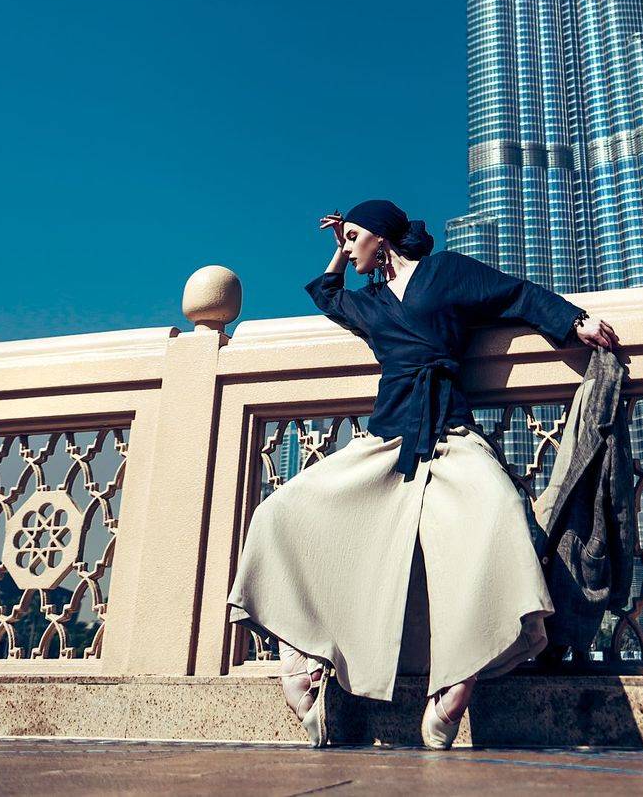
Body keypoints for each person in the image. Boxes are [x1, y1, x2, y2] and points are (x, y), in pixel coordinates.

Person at [227, 199, 618, 749]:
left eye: (354, 237)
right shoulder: (370, 302)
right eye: (345, 240)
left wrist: (575, 322)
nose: (348, 248)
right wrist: (337, 249)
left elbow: (515, 294)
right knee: (279, 514)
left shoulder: (445, 272)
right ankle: (299, 660)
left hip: (451, 432)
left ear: (382, 237)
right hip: (388, 439)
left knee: (502, 514)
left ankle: (458, 681)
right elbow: (328, 295)